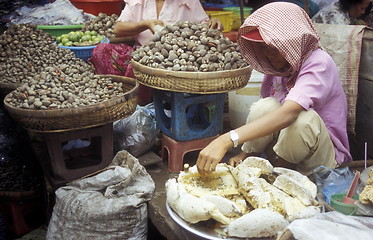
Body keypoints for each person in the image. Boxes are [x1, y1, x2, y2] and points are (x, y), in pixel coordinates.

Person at [196, 2, 353, 176]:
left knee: (303, 120)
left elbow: (289, 114)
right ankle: (252, 157)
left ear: (293, 42)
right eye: (263, 48)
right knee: (267, 105)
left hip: (320, 160)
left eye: (274, 48)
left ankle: (280, 174)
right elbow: (270, 113)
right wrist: (247, 151)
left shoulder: (319, 63)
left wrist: (227, 139)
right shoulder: (279, 66)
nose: (269, 55)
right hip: (285, 148)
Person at [112, 0, 224, 105]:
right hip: (141, 56)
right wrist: (145, 25)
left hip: (176, 62)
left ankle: (146, 103)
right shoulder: (138, 2)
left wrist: (213, 23)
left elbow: (204, 26)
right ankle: (127, 103)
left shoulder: (189, 2)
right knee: (103, 51)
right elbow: (117, 29)